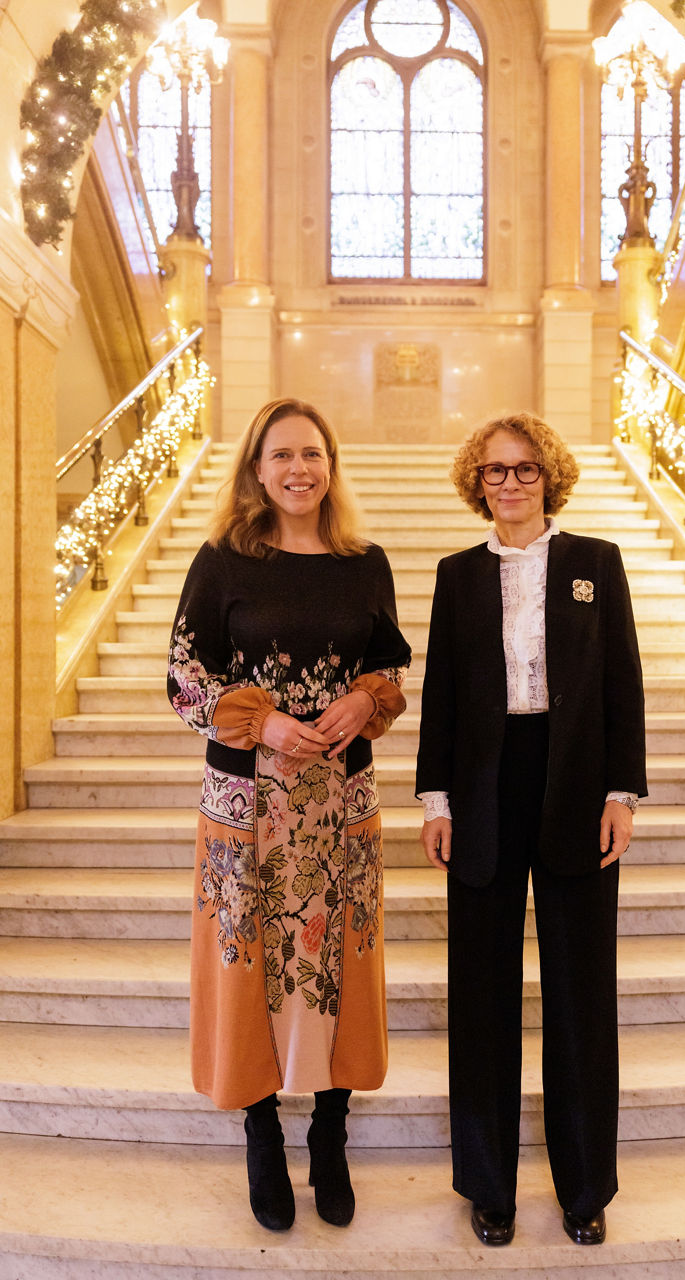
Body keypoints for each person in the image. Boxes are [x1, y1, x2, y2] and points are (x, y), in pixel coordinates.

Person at [167, 398, 410, 1233]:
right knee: (252, 967)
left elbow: (390, 667)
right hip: (247, 804)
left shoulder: (363, 561)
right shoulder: (222, 561)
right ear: (256, 470)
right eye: (282, 455)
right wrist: (260, 722)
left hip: (341, 804)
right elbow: (182, 679)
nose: (299, 468)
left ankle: (331, 1131)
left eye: (313, 453)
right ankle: (262, 1131)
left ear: (330, 466)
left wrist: (363, 704)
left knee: (338, 962)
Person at [416, 411, 646, 1248]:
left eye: (524, 469)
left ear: (549, 475)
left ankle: (585, 1188)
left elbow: (623, 680)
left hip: (577, 785)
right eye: (493, 471)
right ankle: (489, 1186)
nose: (509, 483)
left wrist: (624, 791)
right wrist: (435, 801)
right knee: (480, 995)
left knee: (581, 993)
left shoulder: (595, 563)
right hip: (482, 790)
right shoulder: (456, 574)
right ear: (476, 484)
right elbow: (440, 693)